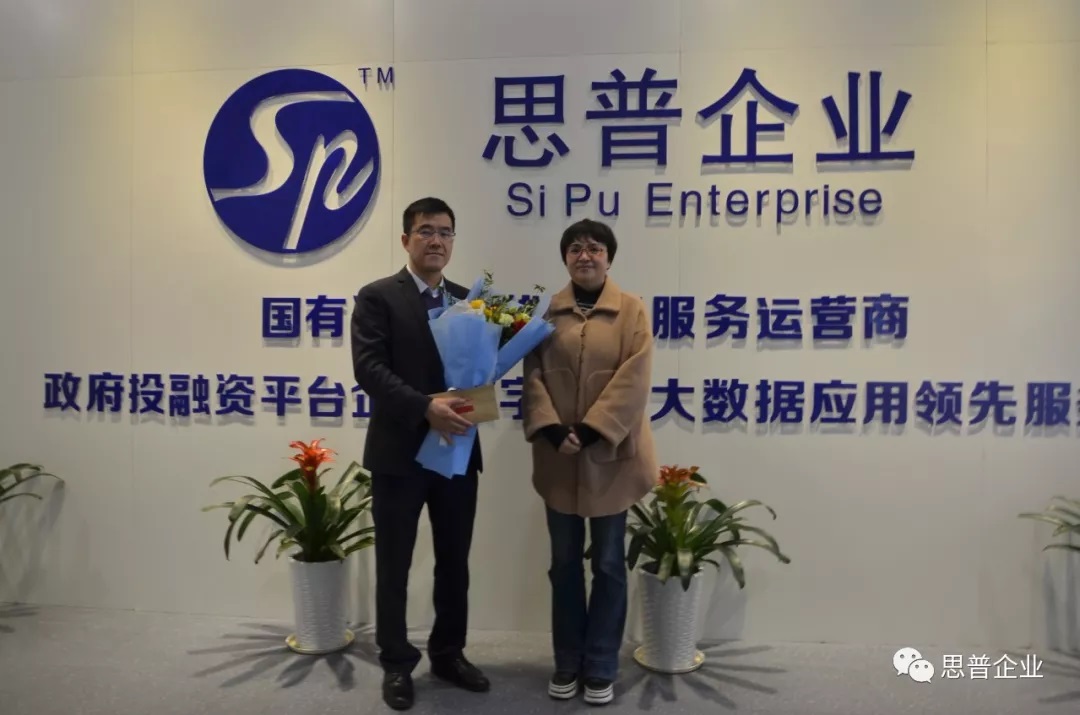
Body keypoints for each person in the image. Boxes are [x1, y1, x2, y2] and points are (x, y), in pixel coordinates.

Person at [350, 197, 491, 711]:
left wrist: (476, 399)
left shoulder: (471, 301)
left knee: (454, 562)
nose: (436, 240)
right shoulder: (377, 297)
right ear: (406, 239)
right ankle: (396, 662)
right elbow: (369, 369)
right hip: (399, 454)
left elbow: (483, 369)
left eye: (445, 232)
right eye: (426, 231)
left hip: (456, 450)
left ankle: (449, 653)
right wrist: (425, 408)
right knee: (395, 564)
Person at [521, 218, 658, 706]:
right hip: (558, 457)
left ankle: (600, 665)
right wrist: (551, 428)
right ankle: (567, 660)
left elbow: (636, 376)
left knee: (608, 564)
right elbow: (532, 373)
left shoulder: (633, 310)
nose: (585, 255)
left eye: (595, 248)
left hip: (612, 458)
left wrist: (596, 428)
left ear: (609, 257)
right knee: (563, 564)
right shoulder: (546, 314)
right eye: (576, 248)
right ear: (565, 258)